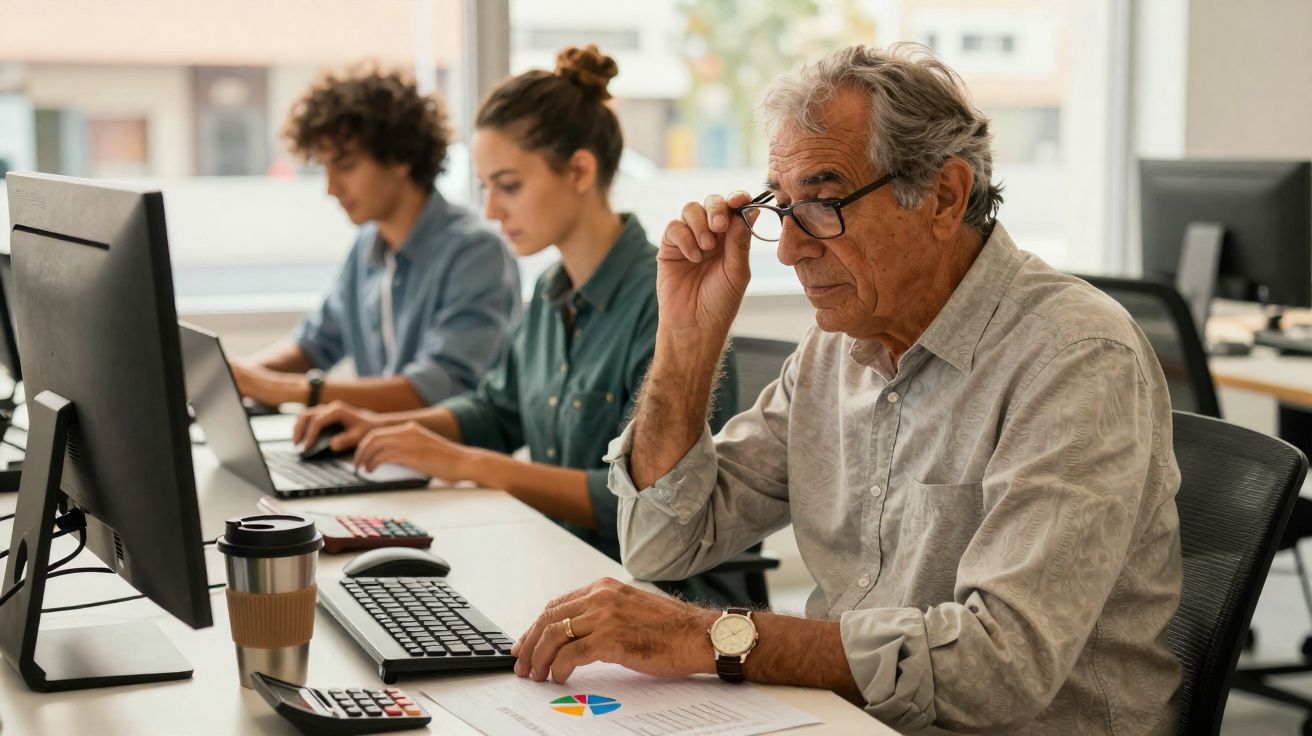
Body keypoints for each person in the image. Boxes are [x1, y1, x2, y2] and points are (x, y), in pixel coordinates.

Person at [512, 44, 1183, 734]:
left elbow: (998, 667)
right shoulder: (837, 348)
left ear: (944, 197)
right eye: (784, 206)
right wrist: (687, 339)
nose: (789, 248)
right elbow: (660, 545)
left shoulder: (1074, 358)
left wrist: (714, 638)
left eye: (825, 203)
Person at [296, 46, 745, 605]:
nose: (490, 210)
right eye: (484, 187)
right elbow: (496, 411)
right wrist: (380, 427)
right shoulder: (550, 291)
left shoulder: (667, 304)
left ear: (579, 170)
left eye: (508, 186)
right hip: (564, 566)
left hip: (660, 598)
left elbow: (644, 505)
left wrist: (466, 464)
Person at [231, 65, 521, 413]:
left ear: (400, 156)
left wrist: (278, 388)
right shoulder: (367, 247)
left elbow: (436, 389)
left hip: (447, 463)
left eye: (346, 165)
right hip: (379, 454)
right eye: (323, 167)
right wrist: (232, 378)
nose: (331, 188)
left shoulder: (475, 253)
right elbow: (314, 345)